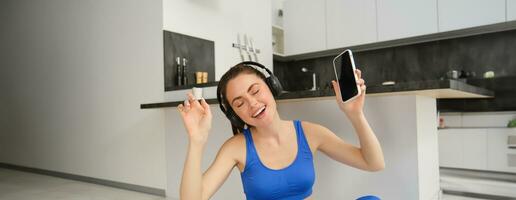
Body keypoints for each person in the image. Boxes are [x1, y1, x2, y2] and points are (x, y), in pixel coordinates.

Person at [177, 62, 385, 200]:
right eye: (239, 103)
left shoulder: (309, 132)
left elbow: (373, 162)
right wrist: (197, 140)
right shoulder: (236, 148)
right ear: (235, 116)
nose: (252, 103)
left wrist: (355, 114)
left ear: (272, 87)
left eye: (255, 91)